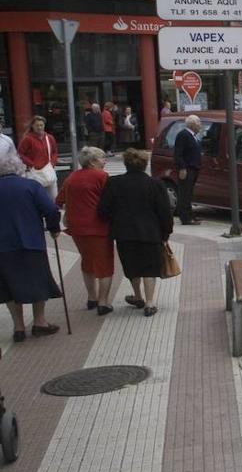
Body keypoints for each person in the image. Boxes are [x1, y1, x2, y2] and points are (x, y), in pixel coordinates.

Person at [97, 148, 173, 318]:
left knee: (132, 266)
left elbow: (103, 209)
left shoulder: (114, 183)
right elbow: (164, 212)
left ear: (126, 164)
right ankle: (150, 302)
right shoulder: (156, 184)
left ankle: (137, 295)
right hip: (150, 232)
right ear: (144, 164)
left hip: (124, 232)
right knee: (150, 267)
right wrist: (166, 232)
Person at [0, 139, 63, 342]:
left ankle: (18, 327)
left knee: (9, 286)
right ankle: (39, 322)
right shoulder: (30, 186)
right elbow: (52, 209)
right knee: (38, 282)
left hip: (3, 246)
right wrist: (53, 228)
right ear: (19, 169)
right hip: (31, 242)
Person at [57, 147, 116, 315]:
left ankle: (92, 298)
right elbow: (110, 201)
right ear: (92, 161)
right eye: (102, 158)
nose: (105, 161)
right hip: (98, 227)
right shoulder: (102, 177)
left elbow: (59, 200)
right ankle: (103, 302)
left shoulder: (71, 177)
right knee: (104, 265)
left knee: (87, 262)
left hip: (76, 227)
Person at [18, 115, 59, 201]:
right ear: (32, 126)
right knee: (39, 197)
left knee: (54, 196)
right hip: (35, 172)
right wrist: (31, 164)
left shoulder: (49, 138)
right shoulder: (28, 139)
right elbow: (20, 153)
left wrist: (53, 163)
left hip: (48, 170)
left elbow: (54, 151)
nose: (39, 127)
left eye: (41, 125)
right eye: (37, 125)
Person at [174, 115, 203, 225]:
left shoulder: (193, 136)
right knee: (184, 193)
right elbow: (178, 154)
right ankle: (185, 218)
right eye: (198, 122)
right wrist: (182, 168)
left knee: (189, 193)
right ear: (192, 124)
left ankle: (190, 215)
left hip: (194, 168)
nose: (200, 125)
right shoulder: (183, 135)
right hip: (187, 168)